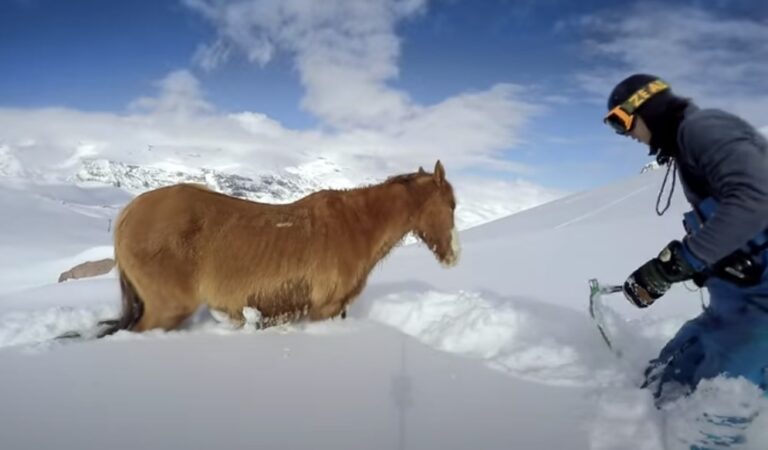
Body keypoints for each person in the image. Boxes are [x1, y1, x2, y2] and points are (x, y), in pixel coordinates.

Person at [604, 73, 768, 448]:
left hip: (762, 311)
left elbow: (756, 201)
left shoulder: (703, 129)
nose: (625, 134)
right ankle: (642, 429)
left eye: (622, 121)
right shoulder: (688, 143)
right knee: (669, 373)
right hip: (735, 302)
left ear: (646, 107)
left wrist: (682, 261)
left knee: (721, 410)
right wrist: (686, 265)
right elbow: (732, 219)